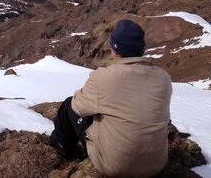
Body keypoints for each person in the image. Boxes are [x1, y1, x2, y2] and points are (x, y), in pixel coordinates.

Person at [50, 19, 172, 177]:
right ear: (142, 49)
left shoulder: (104, 77)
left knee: (68, 105)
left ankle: (62, 147)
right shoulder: (163, 77)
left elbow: (78, 107)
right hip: (156, 164)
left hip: (115, 166)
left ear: (115, 49)